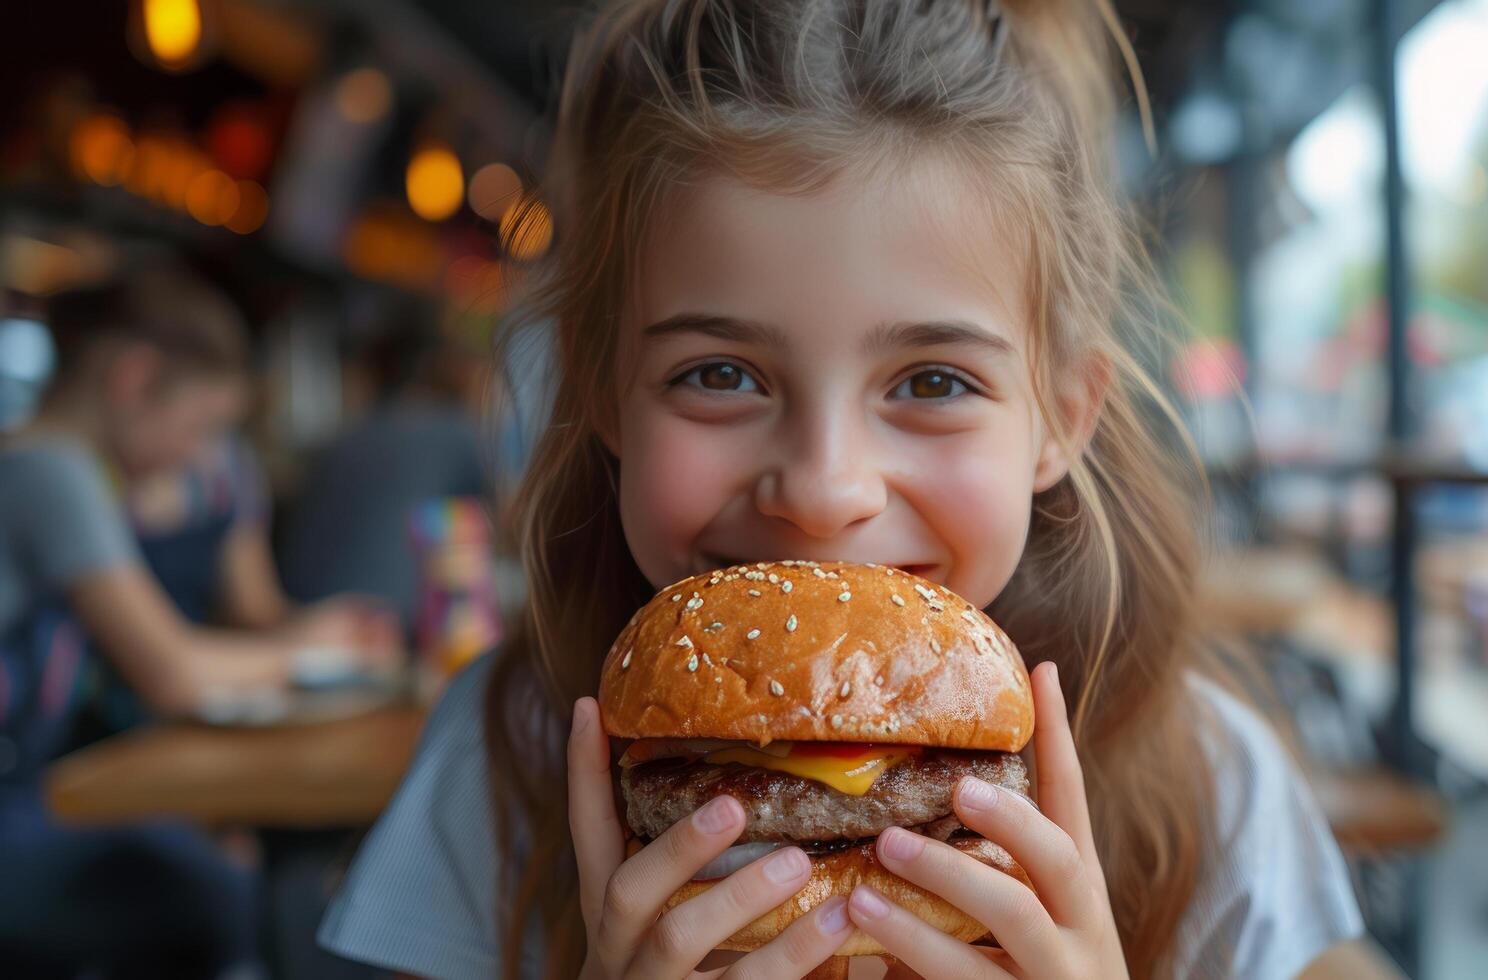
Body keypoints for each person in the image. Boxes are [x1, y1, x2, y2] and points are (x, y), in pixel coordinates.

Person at [319, 2, 1366, 978]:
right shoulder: (499, 758)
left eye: (932, 382)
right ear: (603, 393)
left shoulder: (1214, 786)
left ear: (1062, 415)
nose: (823, 491)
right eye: (719, 374)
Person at [0, 265, 389, 978]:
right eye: (198, 426)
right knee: (244, 901)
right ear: (132, 378)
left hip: (34, 795)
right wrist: (314, 647)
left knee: (228, 886)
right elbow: (172, 674)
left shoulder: (58, 467)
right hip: (16, 809)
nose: (202, 455)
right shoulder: (50, 472)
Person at [277, 301, 491, 625]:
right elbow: (509, 526)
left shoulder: (346, 434)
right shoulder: (458, 434)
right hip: (382, 623)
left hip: (305, 613)